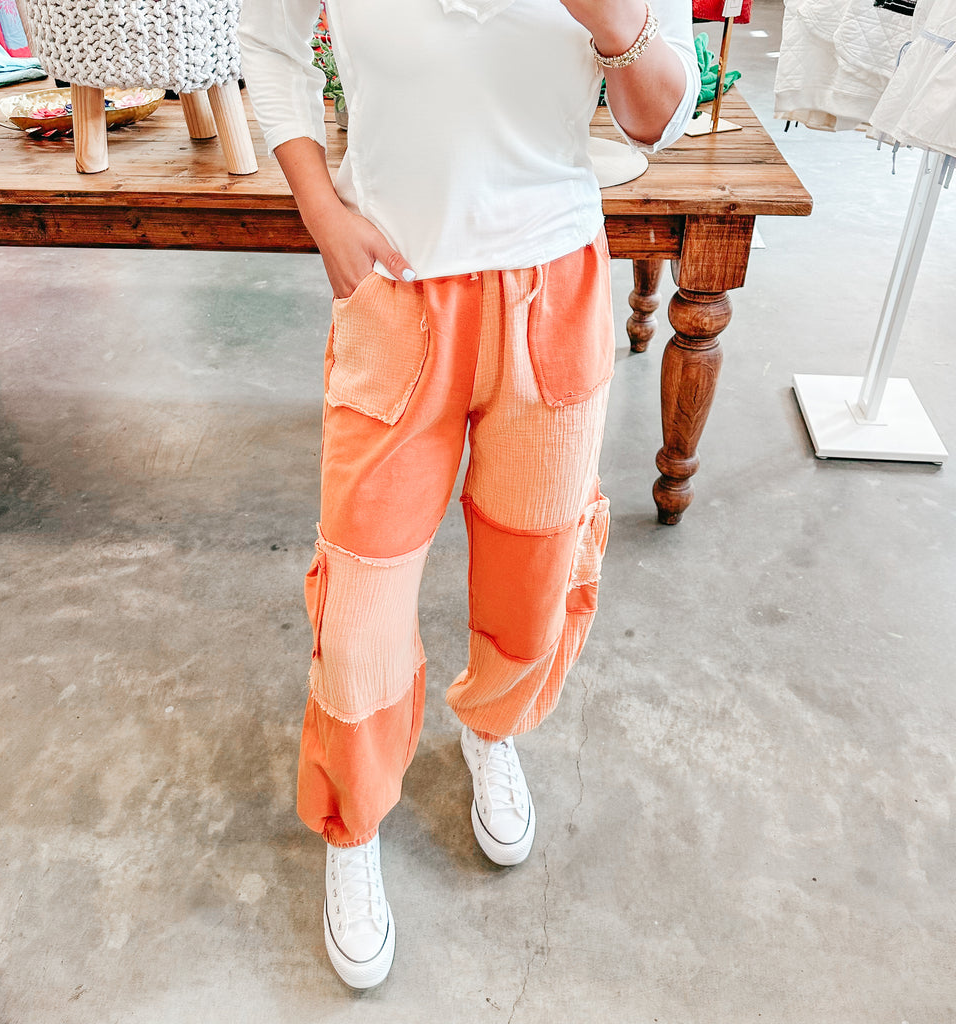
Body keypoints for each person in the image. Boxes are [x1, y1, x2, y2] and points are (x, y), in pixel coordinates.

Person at [238, 0, 698, 990]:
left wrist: (611, 19)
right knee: (360, 603)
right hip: (396, 291)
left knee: (533, 574)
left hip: (555, 288)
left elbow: (660, 117)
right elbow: (266, 39)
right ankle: (354, 822)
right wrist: (321, 210)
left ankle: (490, 726)